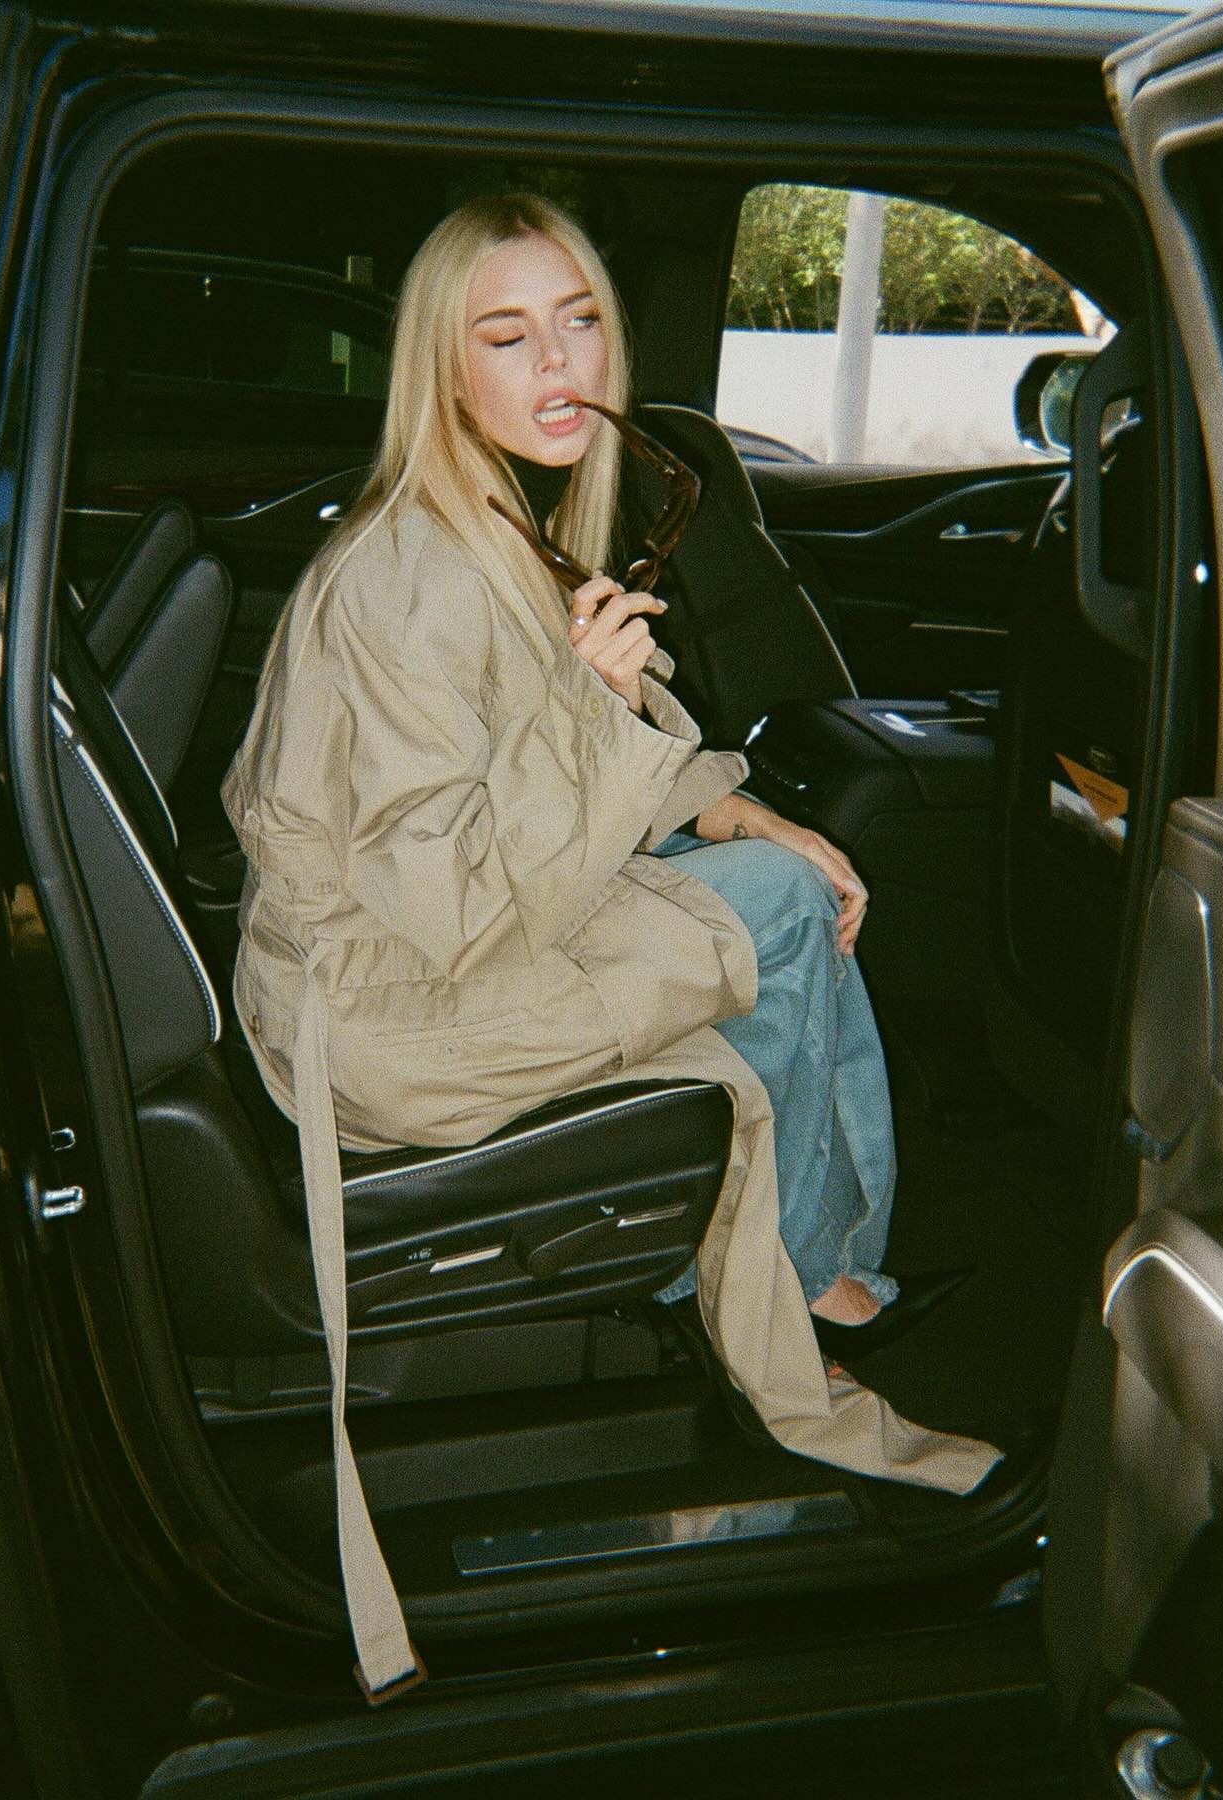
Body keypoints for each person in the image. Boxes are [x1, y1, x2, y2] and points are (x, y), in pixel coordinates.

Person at [223, 193, 1000, 1699]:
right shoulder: (408, 581)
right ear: (443, 369)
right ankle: (804, 1283)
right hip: (385, 1017)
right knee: (781, 922)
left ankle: (801, 1264)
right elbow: (456, 905)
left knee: (769, 883)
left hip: (425, 956)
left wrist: (741, 812)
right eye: (508, 336)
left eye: (580, 323)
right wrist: (598, 714)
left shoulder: (491, 524)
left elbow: (567, 781)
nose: (559, 363)